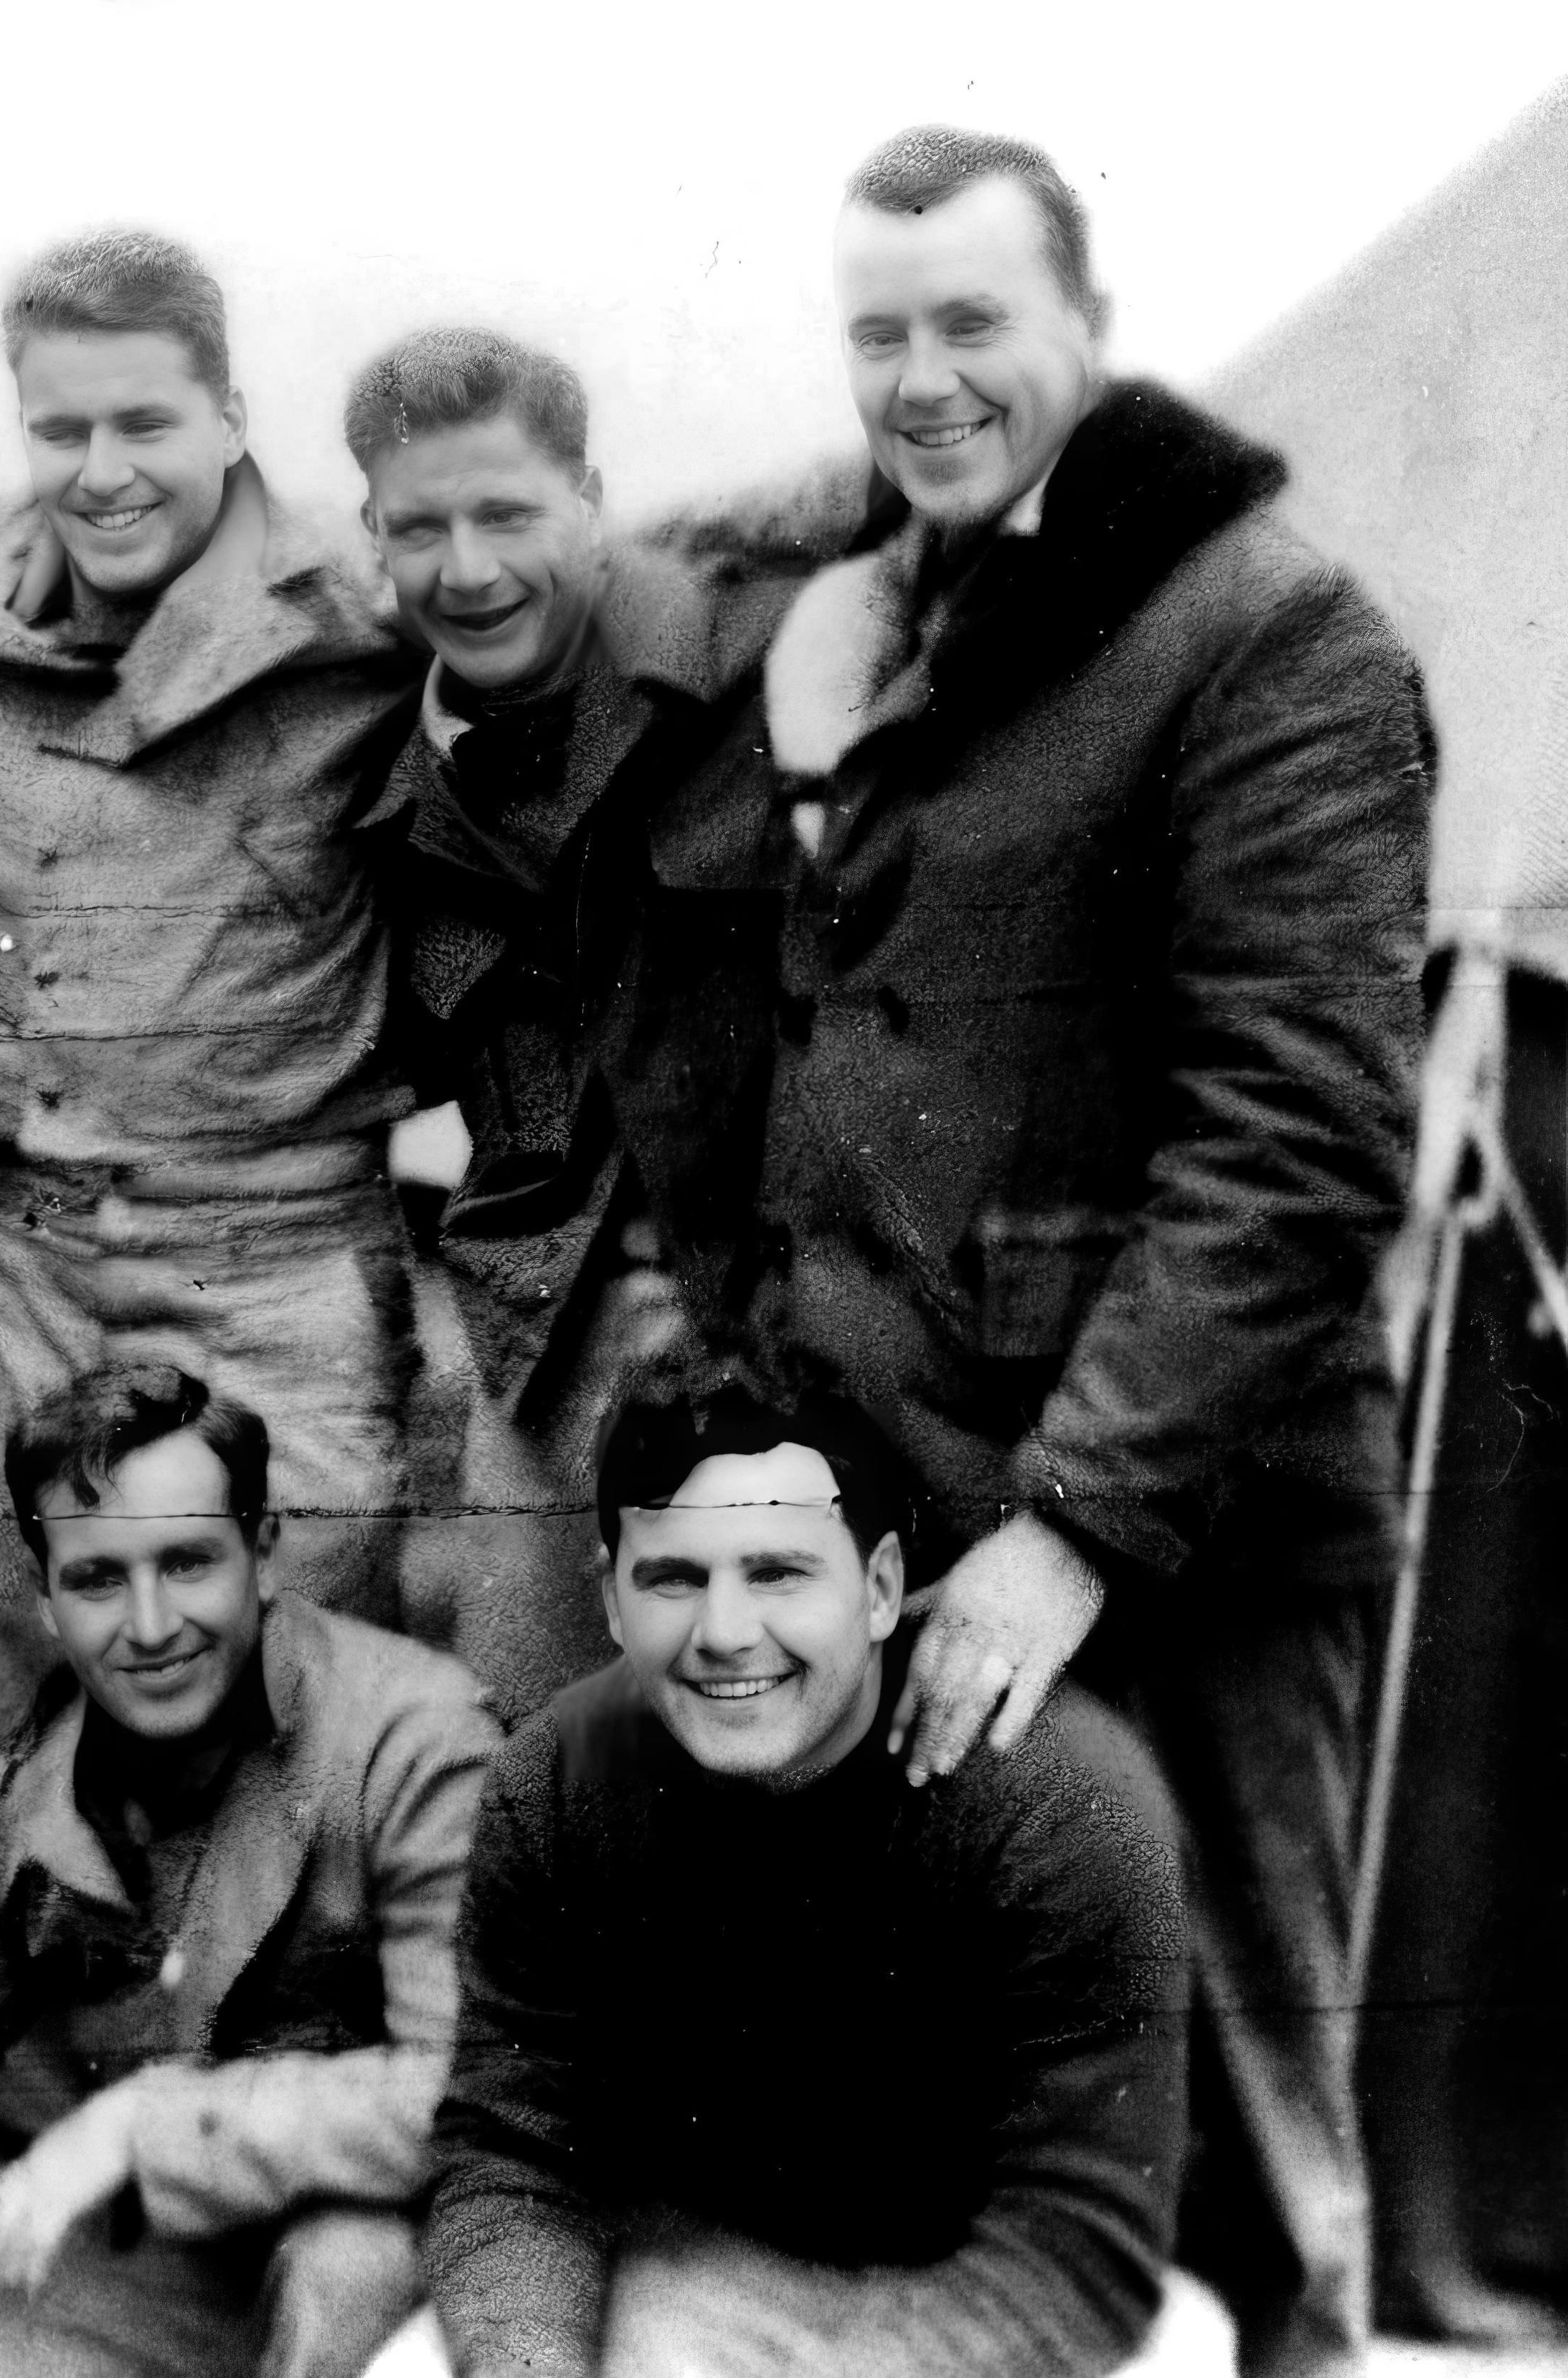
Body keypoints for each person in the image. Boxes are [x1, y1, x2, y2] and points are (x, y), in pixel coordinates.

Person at [648, 128, 1432, 2374]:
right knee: (1010, 2142)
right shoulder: (925, 601)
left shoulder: (1270, 633)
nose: (921, 379)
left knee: (1244, 2100)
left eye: (973, 324)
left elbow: (1299, 1141)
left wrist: (1078, 1523)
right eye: (877, 335)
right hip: (916, 1491)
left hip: (1184, 1533)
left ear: (1089, 324)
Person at [0, 230, 423, 1903]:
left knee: (307, 1767)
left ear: (235, 415)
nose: (101, 473)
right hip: (31, 1273)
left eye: (146, 425)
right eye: (59, 429)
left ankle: (303, 2145)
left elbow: (605, 560)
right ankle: (34, 2146)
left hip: (278, 1269)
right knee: (33, 1749)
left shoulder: (365, 606)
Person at [424, 1382, 1191, 2378]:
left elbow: (1081, 2248)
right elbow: (513, 2151)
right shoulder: (555, 1781)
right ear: (611, 1598)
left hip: (998, 2312)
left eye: (780, 1572)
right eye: (673, 1580)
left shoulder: (1059, 1798)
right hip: (708, 2275)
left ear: (879, 1587)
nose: (727, 1631)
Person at [0, 1364, 499, 2378]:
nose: (150, 1627)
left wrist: (145, 2126)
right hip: (179, 2270)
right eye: (99, 1579)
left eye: (188, 1563)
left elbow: (475, 2093)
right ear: (48, 1601)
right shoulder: (3, 1790)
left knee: (348, 2269)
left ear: (264, 1554)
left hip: (400, 2247)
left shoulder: (416, 1736)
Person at [346, 327, 780, 1714]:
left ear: (591, 497)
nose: (467, 570)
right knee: (535, 1777)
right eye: (420, 528)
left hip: (778, 1325)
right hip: (543, 1356)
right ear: (372, 532)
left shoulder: (752, 659)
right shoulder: (390, 787)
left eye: (509, 513)